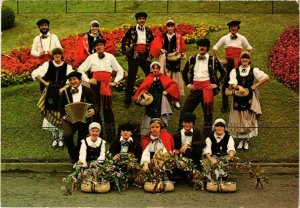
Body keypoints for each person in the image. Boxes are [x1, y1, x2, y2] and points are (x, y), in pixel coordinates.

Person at [77, 38, 124, 142]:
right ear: (95, 47)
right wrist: (88, 79)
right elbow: (80, 69)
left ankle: (111, 137)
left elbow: (120, 70)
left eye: (101, 45)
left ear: (104, 46)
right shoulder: (91, 57)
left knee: (108, 110)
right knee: (95, 109)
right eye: (97, 45)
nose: (99, 47)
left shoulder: (110, 57)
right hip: (95, 85)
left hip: (106, 86)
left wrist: (115, 81)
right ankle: (97, 135)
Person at [180, 39, 225, 137]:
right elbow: (184, 72)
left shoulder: (213, 60)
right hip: (195, 90)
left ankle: (207, 136)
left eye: (204, 46)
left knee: (208, 115)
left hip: (207, 90)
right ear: (197, 47)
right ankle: (181, 133)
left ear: (207, 48)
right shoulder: (191, 58)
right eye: (200, 45)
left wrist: (216, 84)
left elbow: (223, 73)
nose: (202, 47)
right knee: (185, 112)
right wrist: (188, 84)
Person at [32, 47, 74, 148]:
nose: (57, 55)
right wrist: (45, 83)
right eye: (55, 53)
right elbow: (34, 73)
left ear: (61, 54)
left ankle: (60, 137)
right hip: (50, 93)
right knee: (50, 112)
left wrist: (65, 87)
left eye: (59, 53)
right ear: (53, 55)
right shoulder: (47, 64)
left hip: (62, 93)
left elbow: (71, 80)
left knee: (60, 114)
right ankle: (54, 136)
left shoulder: (67, 66)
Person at [227, 52, 269, 151]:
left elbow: (266, 77)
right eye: (243, 58)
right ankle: (241, 140)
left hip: (249, 95)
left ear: (249, 60)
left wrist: (256, 85)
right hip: (237, 96)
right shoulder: (234, 71)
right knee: (239, 118)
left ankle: (246, 140)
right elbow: (232, 83)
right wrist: (238, 87)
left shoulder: (253, 70)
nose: (245, 60)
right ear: (240, 60)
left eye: (246, 58)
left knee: (248, 118)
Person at [212, 20, 253, 113]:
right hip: (228, 62)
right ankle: (225, 105)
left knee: (240, 82)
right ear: (229, 28)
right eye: (231, 27)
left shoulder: (242, 38)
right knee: (226, 83)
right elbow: (215, 48)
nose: (233, 28)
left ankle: (239, 101)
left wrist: (246, 59)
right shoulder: (225, 38)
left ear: (238, 28)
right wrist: (219, 59)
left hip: (239, 62)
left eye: (235, 26)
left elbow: (250, 49)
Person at [59, 71, 97, 163]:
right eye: (70, 80)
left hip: (84, 120)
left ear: (80, 80)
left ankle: (79, 158)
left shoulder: (88, 91)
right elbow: (60, 106)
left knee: (82, 140)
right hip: (70, 120)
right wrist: (64, 116)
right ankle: (73, 155)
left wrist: (93, 110)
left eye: (74, 79)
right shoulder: (66, 92)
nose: (73, 81)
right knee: (67, 136)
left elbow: (94, 105)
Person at [134, 62, 180, 136]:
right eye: (154, 68)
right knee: (150, 114)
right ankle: (149, 132)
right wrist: (144, 94)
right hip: (150, 100)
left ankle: (161, 131)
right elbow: (143, 88)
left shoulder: (163, 77)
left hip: (160, 99)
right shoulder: (149, 78)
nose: (155, 70)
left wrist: (167, 91)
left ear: (159, 69)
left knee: (159, 114)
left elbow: (173, 85)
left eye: (157, 68)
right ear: (151, 69)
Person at [150, 19, 186, 109]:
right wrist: (160, 49)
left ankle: (176, 99)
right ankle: (167, 98)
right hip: (164, 60)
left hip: (175, 61)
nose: (170, 28)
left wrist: (180, 53)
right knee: (165, 79)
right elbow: (155, 45)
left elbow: (183, 48)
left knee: (176, 80)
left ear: (174, 27)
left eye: (172, 26)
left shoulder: (178, 36)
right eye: (168, 26)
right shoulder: (162, 36)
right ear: (166, 27)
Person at [121, 12, 154, 108]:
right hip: (134, 56)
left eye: (143, 18)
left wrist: (151, 53)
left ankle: (149, 95)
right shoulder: (131, 29)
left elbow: (152, 41)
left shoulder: (148, 30)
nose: (142, 20)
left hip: (144, 56)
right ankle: (127, 100)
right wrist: (125, 52)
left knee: (150, 75)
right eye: (140, 18)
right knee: (131, 77)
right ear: (137, 20)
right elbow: (123, 40)